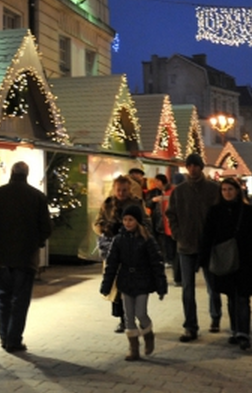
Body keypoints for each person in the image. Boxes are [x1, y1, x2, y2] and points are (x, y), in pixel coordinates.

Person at [0, 161, 52, 353]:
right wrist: (35, 242)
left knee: (2, 297)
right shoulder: (37, 197)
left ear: (11, 174)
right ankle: (14, 339)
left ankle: (4, 336)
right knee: (20, 300)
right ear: (26, 174)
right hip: (26, 257)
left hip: (2, 256)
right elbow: (46, 228)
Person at [200, 177, 252, 350]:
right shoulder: (215, 211)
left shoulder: (246, 211)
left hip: (246, 259)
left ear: (237, 191)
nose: (227, 193)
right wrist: (203, 259)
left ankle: (243, 334)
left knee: (243, 297)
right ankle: (234, 330)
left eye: (230, 189)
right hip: (225, 260)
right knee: (232, 297)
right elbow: (207, 237)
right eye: (224, 190)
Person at [99, 204, 167, 361]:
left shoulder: (147, 239)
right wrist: (106, 285)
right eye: (125, 220)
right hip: (126, 282)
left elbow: (156, 263)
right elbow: (112, 264)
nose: (127, 223)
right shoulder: (119, 240)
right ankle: (133, 348)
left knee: (140, 313)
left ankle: (148, 334)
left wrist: (161, 285)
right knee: (128, 316)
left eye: (131, 220)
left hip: (143, 281)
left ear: (137, 221)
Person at [166, 153, 222, 342]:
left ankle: (215, 316)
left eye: (196, 165)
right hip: (186, 244)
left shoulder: (214, 189)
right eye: (189, 166)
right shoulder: (179, 191)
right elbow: (171, 214)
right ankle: (190, 326)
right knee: (187, 288)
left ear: (201, 167)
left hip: (208, 245)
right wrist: (177, 234)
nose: (192, 169)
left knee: (212, 285)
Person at [94, 175, 136, 332]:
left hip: (132, 250)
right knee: (116, 287)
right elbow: (97, 223)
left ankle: (130, 317)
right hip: (113, 250)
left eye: (124, 190)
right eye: (119, 190)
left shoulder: (136, 203)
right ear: (114, 189)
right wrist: (105, 229)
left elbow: (145, 222)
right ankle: (122, 319)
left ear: (129, 189)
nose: (121, 193)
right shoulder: (108, 204)